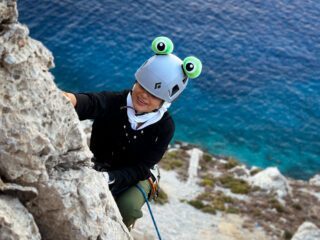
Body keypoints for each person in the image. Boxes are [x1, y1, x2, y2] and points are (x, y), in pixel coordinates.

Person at [63, 36, 202, 229]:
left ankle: (123, 230)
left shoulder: (164, 127)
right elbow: (92, 102)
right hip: (100, 164)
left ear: (165, 102)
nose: (144, 95)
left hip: (138, 175)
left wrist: (110, 178)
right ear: (135, 82)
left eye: (154, 95)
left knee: (127, 207)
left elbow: (142, 167)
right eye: (142, 86)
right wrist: (69, 99)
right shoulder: (116, 101)